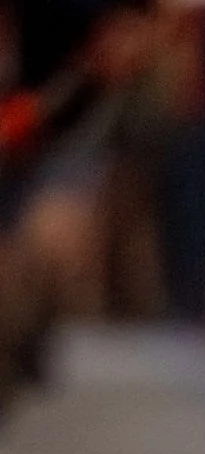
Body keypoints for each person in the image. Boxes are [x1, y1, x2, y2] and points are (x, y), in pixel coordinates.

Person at [0, 0, 153, 402]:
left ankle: (27, 335)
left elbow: (129, 31)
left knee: (51, 241)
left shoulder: (69, 17)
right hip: (17, 129)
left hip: (63, 128)